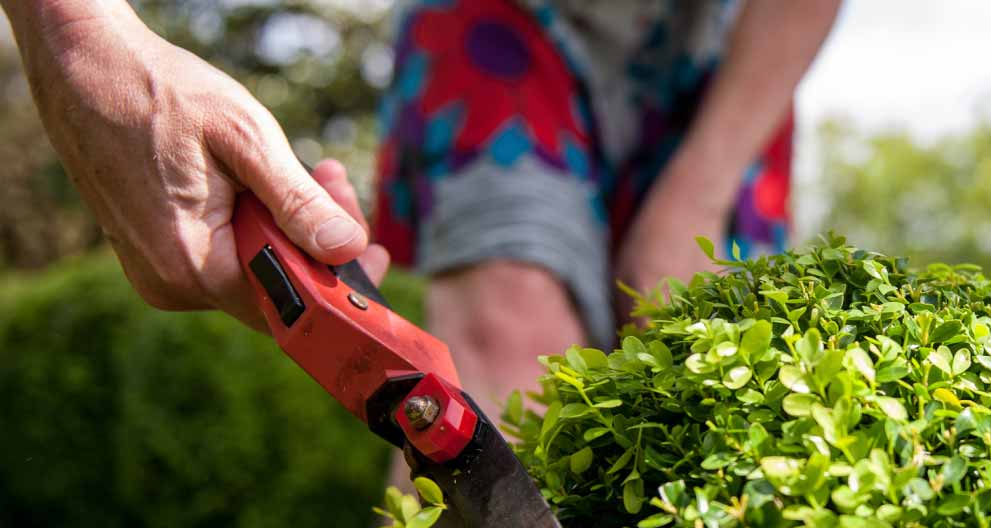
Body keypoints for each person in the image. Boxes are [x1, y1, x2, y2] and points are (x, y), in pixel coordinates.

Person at [1, 0, 840, 418]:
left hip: (732, 49)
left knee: (698, 383)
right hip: (499, 23)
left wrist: (697, 187)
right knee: (509, 348)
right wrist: (76, 29)